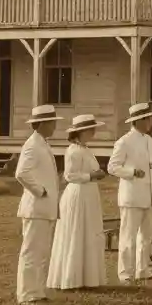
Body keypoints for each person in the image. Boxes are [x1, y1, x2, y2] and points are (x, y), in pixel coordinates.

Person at [47, 114, 108, 291]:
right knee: (76, 232)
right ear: (81, 132)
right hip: (78, 194)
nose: (94, 132)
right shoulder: (73, 150)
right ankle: (71, 277)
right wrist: (91, 176)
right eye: (91, 129)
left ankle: (87, 277)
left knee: (89, 232)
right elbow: (70, 176)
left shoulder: (85, 149)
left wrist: (97, 173)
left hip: (89, 193)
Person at [107, 102, 152, 285]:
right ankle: (125, 273)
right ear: (139, 121)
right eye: (148, 119)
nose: (151, 122)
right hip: (131, 196)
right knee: (128, 237)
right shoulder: (124, 142)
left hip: (148, 194)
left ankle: (142, 269)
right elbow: (112, 167)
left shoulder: (149, 141)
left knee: (146, 237)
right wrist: (131, 172)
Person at [14, 105, 62, 305]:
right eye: (51, 123)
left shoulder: (42, 143)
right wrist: (40, 191)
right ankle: (27, 294)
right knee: (32, 251)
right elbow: (21, 173)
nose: (54, 126)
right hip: (36, 207)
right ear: (41, 124)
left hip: (45, 208)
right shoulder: (32, 145)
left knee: (41, 251)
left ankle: (37, 291)